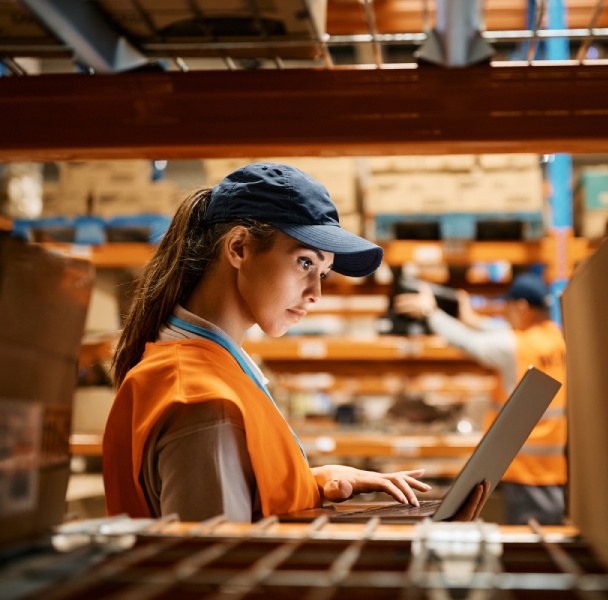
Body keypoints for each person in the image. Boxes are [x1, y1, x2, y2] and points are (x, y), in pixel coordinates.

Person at [102, 162, 489, 523]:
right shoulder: (202, 400)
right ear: (238, 248)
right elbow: (217, 573)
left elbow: (242, 513)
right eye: (306, 263)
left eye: (324, 272)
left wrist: (312, 483)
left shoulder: (211, 372)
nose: (316, 293)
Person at [394, 272, 567, 525]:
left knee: (527, 541)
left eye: (507, 307)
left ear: (521, 307)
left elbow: (470, 343)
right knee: (546, 535)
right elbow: (499, 330)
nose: (504, 314)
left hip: (525, 464)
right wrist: (470, 316)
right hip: (549, 462)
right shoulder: (554, 336)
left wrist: (431, 313)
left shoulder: (517, 346)